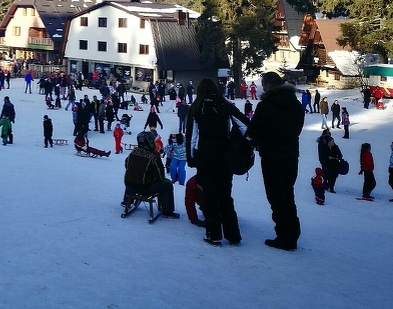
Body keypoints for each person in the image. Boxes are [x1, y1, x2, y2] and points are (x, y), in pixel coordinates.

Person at [185, 77, 250, 247]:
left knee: (210, 196)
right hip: (224, 157)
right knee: (226, 196)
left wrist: (191, 158)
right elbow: (244, 125)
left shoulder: (196, 107)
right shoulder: (225, 105)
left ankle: (214, 235)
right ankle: (233, 235)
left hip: (205, 157)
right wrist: (237, 142)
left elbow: (192, 136)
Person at [245, 72, 304, 252]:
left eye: (263, 84)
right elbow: (297, 129)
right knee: (288, 194)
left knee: (276, 197)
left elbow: (254, 131)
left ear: (269, 85)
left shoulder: (266, 106)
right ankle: (292, 234)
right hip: (291, 155)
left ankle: (284, 237)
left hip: (272, 156)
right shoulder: (296, 105)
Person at [123, 131, 179, 218]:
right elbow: (160, 176)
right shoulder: (154, 156)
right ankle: (167, 211)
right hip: (146, 187)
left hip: (131, 186)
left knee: (132, 176)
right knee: (167, 185)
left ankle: (126, 201)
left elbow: (127, 165)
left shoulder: (132, 153)